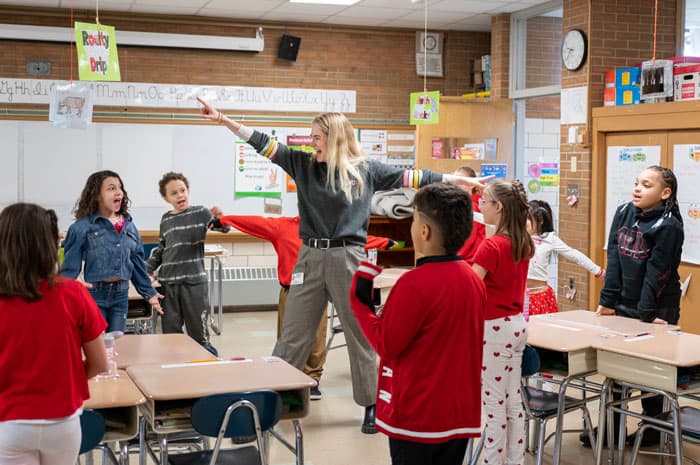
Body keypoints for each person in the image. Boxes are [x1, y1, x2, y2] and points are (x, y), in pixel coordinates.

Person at [197, 96, 489, 433]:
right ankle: (272, 401)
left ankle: (370, 403)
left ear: (334, 138)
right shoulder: (303, 164)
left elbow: (413, 176)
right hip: (309, 255)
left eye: (316, 138)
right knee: (293, 332)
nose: (311, 143)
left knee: (360, 333)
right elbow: (263, 143)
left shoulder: (365, 169)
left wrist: (456, 179)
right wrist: (224, 119)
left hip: (348, 256)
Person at [350, 183, 486, 465]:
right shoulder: (473, 280)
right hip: (458, 414)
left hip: (417, 417)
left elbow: (387, 345)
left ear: (424, 231)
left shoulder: (413, 285)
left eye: (413, 220)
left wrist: (360, 306)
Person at [210, 214, 397, 400]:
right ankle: (287, 379)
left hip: (319, 289)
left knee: (317, 339)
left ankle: (312, 379)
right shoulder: (283, 227)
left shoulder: (331, 232)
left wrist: (384, 242)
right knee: (290, 339)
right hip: (292, 290)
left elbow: (355, 242)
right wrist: (225, 220)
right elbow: (254, 222)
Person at [0, 203, 109, 465]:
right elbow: (100, 363)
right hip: (62, 420)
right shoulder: (73, 293)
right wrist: (63, 380)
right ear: (49, 246)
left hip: (9, 421)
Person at [587, 165, 684, 448]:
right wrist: (607, 301)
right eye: (636, 183)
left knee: (650, 371)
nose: (637, 188)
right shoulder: (623, 212)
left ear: (665, 193)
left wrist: (646, 315)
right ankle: (611, 429)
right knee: (617, 367)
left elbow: (658, 272)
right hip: (625, 302)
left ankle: (653, 429)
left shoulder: (669, 225)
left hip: (657, 307)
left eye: (646, 184)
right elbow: (614, 259)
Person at [472, 179, 534, 465]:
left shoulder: (491, 246)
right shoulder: (522, 241)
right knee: (512, 404)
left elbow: (471, 287)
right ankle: (515, 461)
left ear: (498, 207)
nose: (480, 206)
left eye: (484, 201)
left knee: (494, 408)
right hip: (516, 325)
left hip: (493, 330)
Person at [61, 170, 163, 333]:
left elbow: (136, 264)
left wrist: (149, 292)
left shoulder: (129, 226)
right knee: (98, 344)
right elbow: (69, 268)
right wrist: (62, 293)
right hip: (95, 294)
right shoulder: (81, 227)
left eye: (120, 187)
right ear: (96, 195)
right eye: (111, 188)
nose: (119, 192)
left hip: (121, 294)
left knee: (117, 344)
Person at [146, 172, 222, 356]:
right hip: (168, 284)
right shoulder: (166, 219)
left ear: (188, 191)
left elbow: (222, 227)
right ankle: (175, 369)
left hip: (194, 284)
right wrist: (146, 270)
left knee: (199, 333)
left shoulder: (200, 212)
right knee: (171, 333)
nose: (180, 195)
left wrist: (220, 218)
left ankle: (207, 365)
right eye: (174, 193)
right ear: (166, 198)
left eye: (182, 190)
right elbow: (161, 248)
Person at [526, 199, 604, 318]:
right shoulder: (517, 237)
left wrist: (598, 271)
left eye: (528, 219)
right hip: (520, 296)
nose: (523, 222)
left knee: (543, 331)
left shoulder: (550, 239)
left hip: (541, 296)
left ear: (540, 221)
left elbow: (574, 255)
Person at [454, 166, 486, 264]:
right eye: (455, 182)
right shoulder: (461, 204)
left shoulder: (471, 207)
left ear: (472, 185)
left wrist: (451, 257)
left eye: (461, 183)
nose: (456, 185)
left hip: (469, 261)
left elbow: (468, 239)